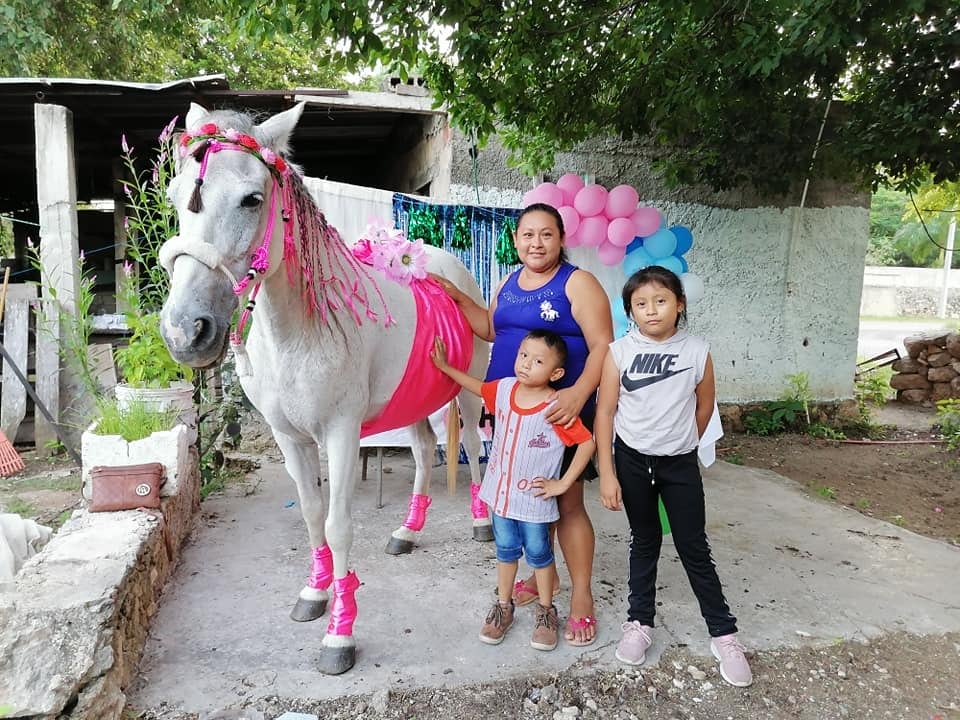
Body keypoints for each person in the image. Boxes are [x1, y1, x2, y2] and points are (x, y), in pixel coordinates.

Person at [432, 202, 613, 646]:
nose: (536, 242)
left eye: (546, 234)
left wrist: (577, 393)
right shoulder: (510, 282)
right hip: (512, 416)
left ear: (561, 239)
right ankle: (538, 576)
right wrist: (457, 297)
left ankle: (581, 598)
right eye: (527, 234)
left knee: (567, 504)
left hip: (559, 414)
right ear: (515, 241)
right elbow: (491, 329)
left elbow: (604, 344)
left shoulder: (578, 283)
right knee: (530, 501)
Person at [594, 265, 752, 687]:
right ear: (630, 310)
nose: (651, 311)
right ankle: (639, 622)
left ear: (679, 304)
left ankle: (724, 634)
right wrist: (607, 473)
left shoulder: (698, 351)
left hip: (678, 464)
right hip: (630, 462)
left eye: (660, 301)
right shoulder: (618, 352)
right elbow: (605, 413)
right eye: (640, 304)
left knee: (692, 545)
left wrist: (681, 444)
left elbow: (704, 408)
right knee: (643, 540)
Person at [431, 330, 596, 650]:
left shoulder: (555, 406)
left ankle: (546, 611)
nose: (526, 365)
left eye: (538, 361)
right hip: (500, 497)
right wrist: (444, 365)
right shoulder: (504, 389)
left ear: (556, 373)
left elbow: (586, 442)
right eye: (523, 356)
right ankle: (503, 607)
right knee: (505, 552)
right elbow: (476, 386)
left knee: (539, 555)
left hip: (534, 504)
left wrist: (562, 483)